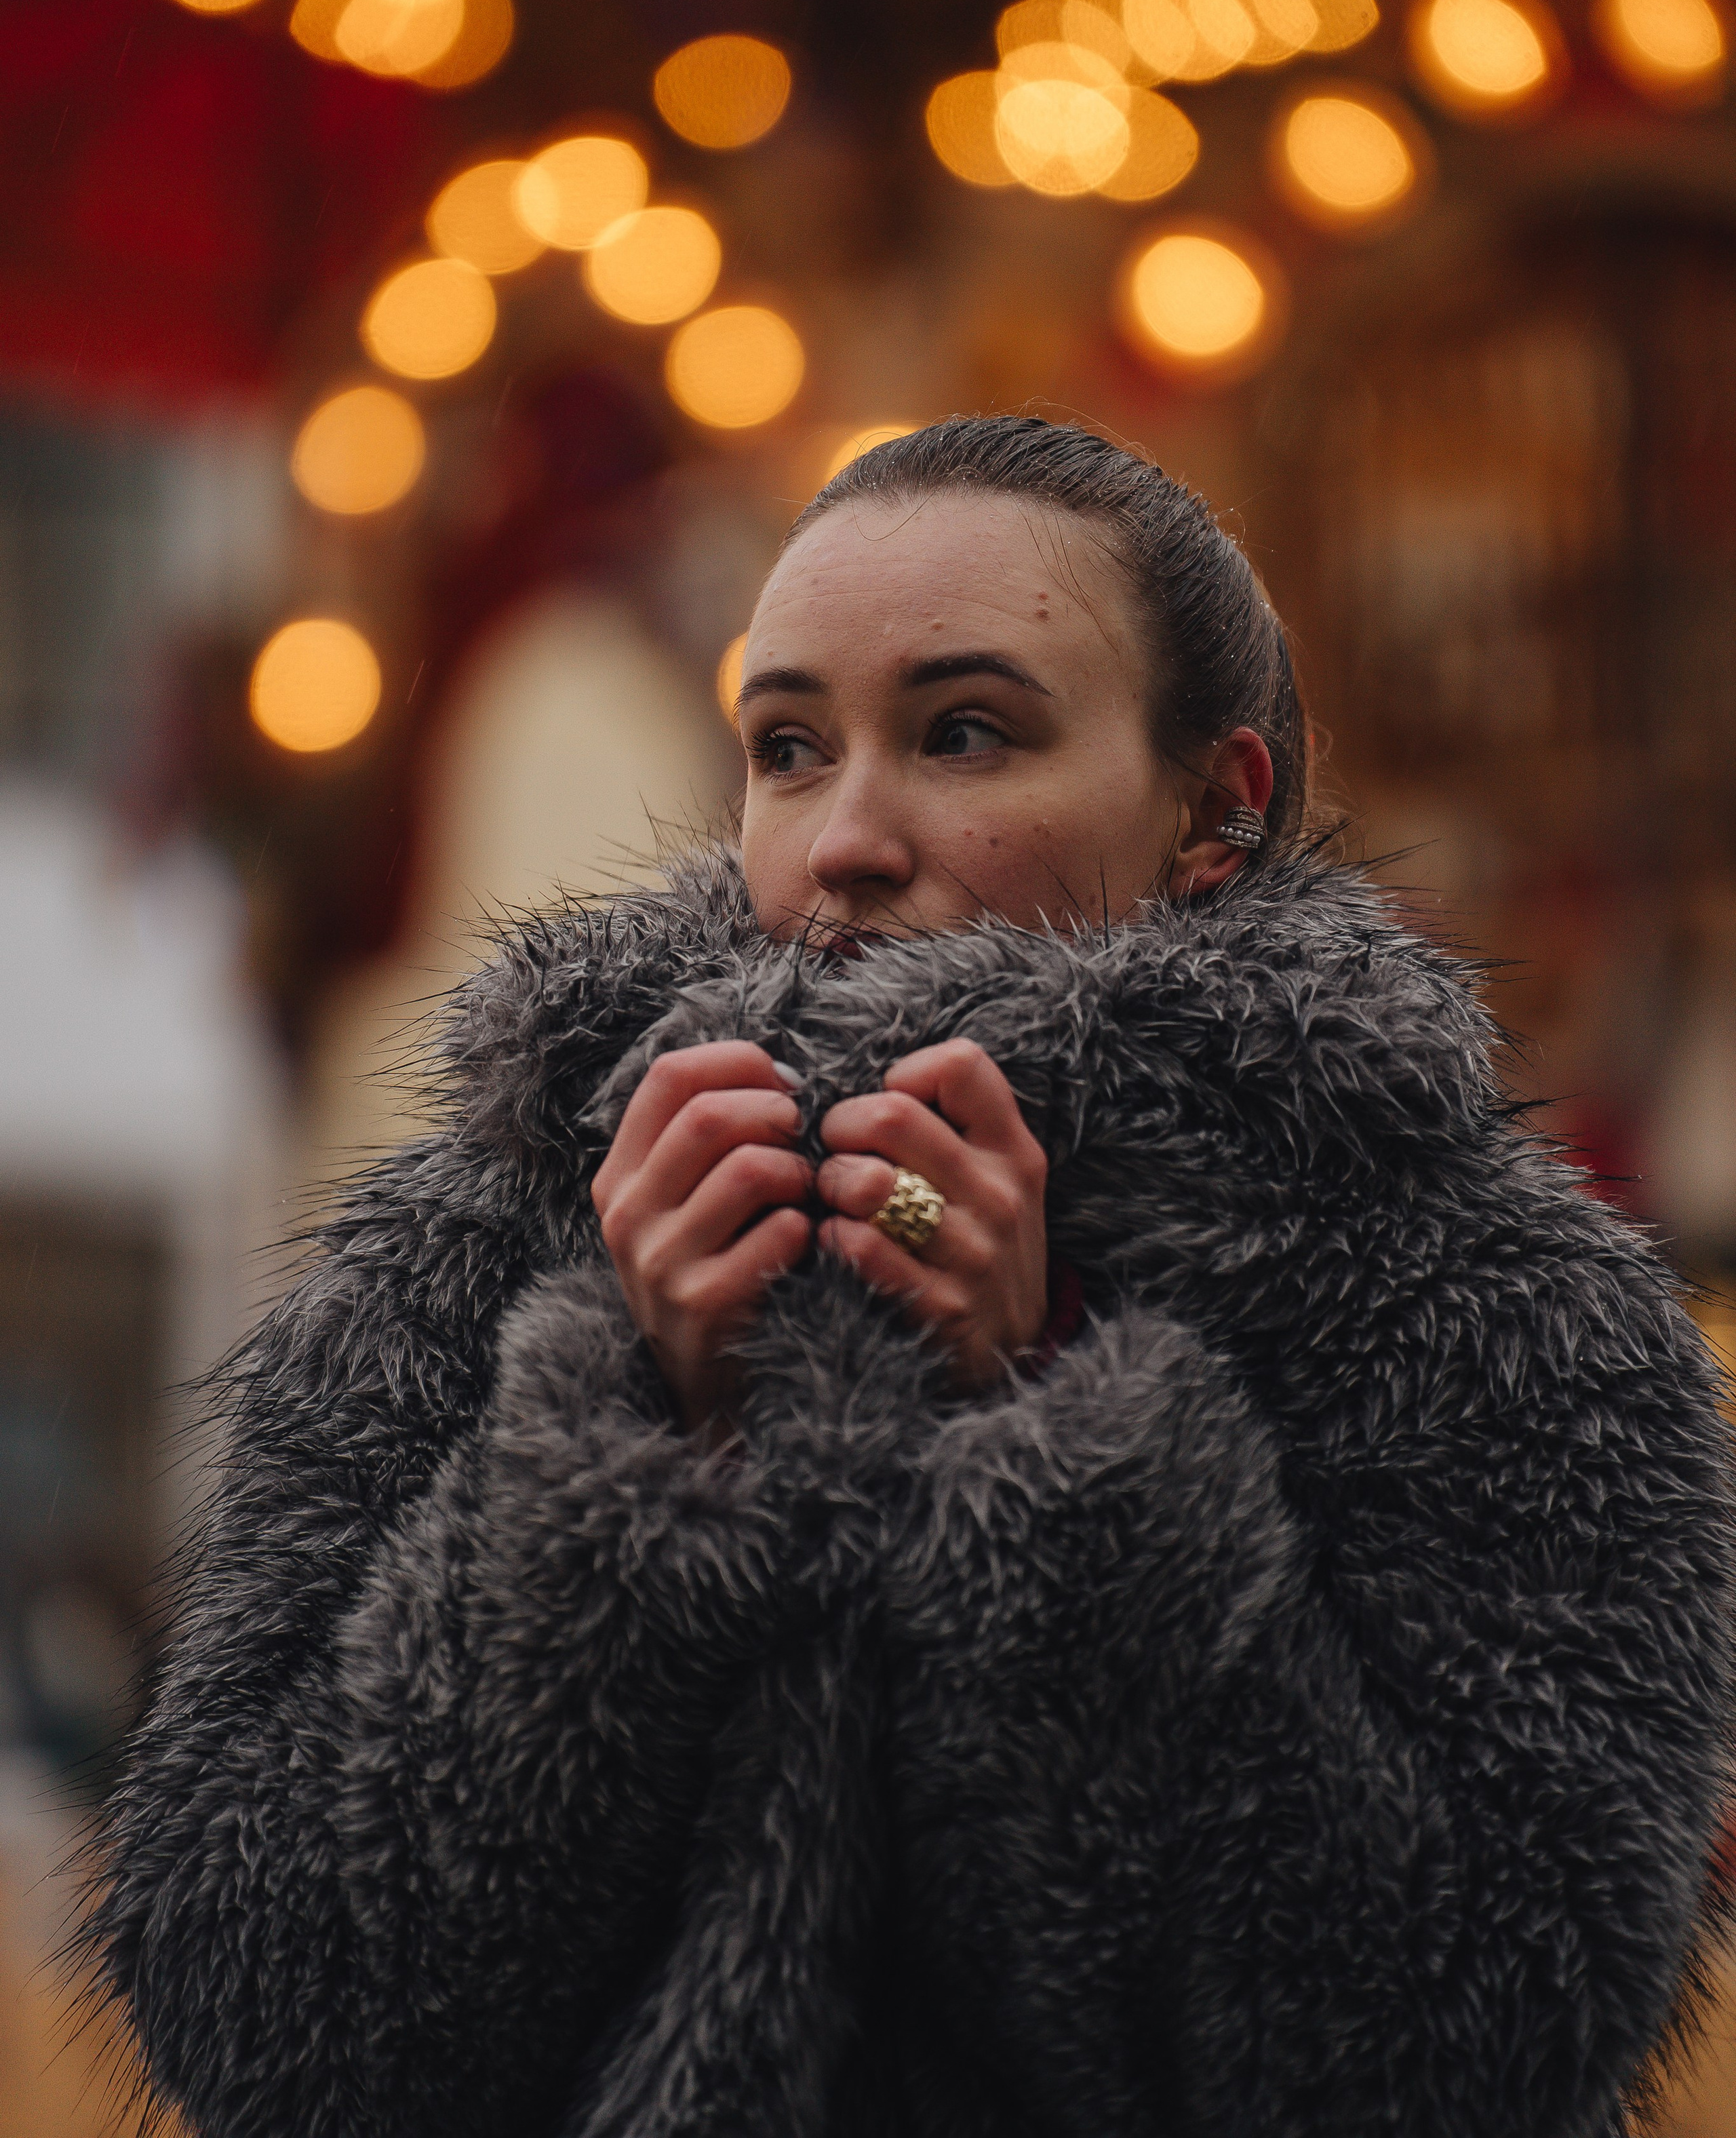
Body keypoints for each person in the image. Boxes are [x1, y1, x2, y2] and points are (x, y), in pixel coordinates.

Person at [91, 417, 1733, 2138]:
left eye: (963, 733)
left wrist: (1057, 1440)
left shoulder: (1477, 1303)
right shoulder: (481, 1241)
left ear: (1215, 811)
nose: (847, 837)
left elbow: (1470, 2050)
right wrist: (633, 1463)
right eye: (787, 747)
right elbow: (260, 2019)